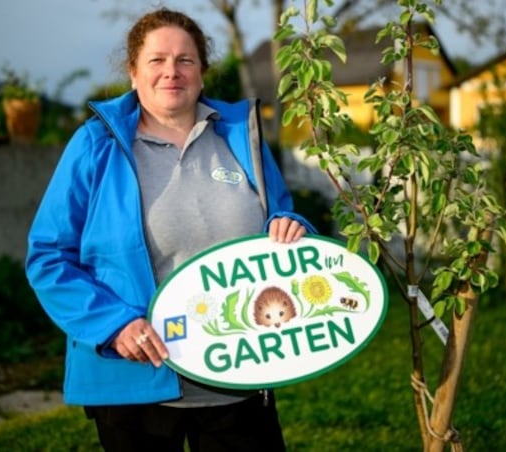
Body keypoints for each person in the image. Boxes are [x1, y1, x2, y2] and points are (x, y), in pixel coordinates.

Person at [25, 7, 316, 452]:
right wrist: (115, 325)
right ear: (133, 72)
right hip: (134, 384)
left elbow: (283, 221)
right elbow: (48, 256)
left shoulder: (241, 138)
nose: (171, 72)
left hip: (239, 378)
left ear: (202, 71)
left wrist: (291, 226)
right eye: (157, 60)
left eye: (185, 60)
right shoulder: (94, 145)